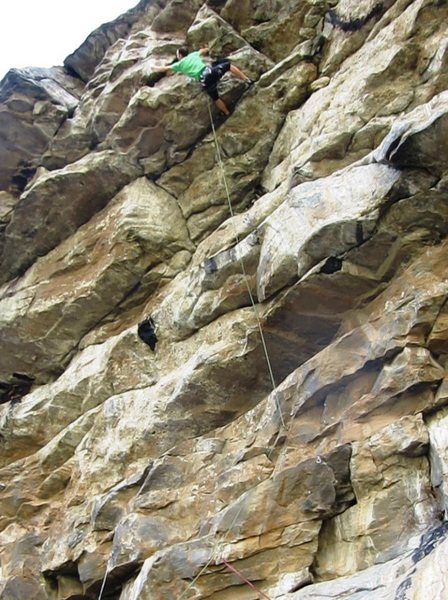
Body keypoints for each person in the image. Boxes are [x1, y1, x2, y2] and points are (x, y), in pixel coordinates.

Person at [154, 47, 254, 116]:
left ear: (180, 55)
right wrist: (207, 49)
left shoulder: (179, 64)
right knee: (228, 65)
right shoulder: (193, 54)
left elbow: (164, 68)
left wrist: (154, 68)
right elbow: (203, 51)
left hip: (204, 80)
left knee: (215, 98)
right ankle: (246, 80)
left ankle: (226, 112)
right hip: (211, 72)